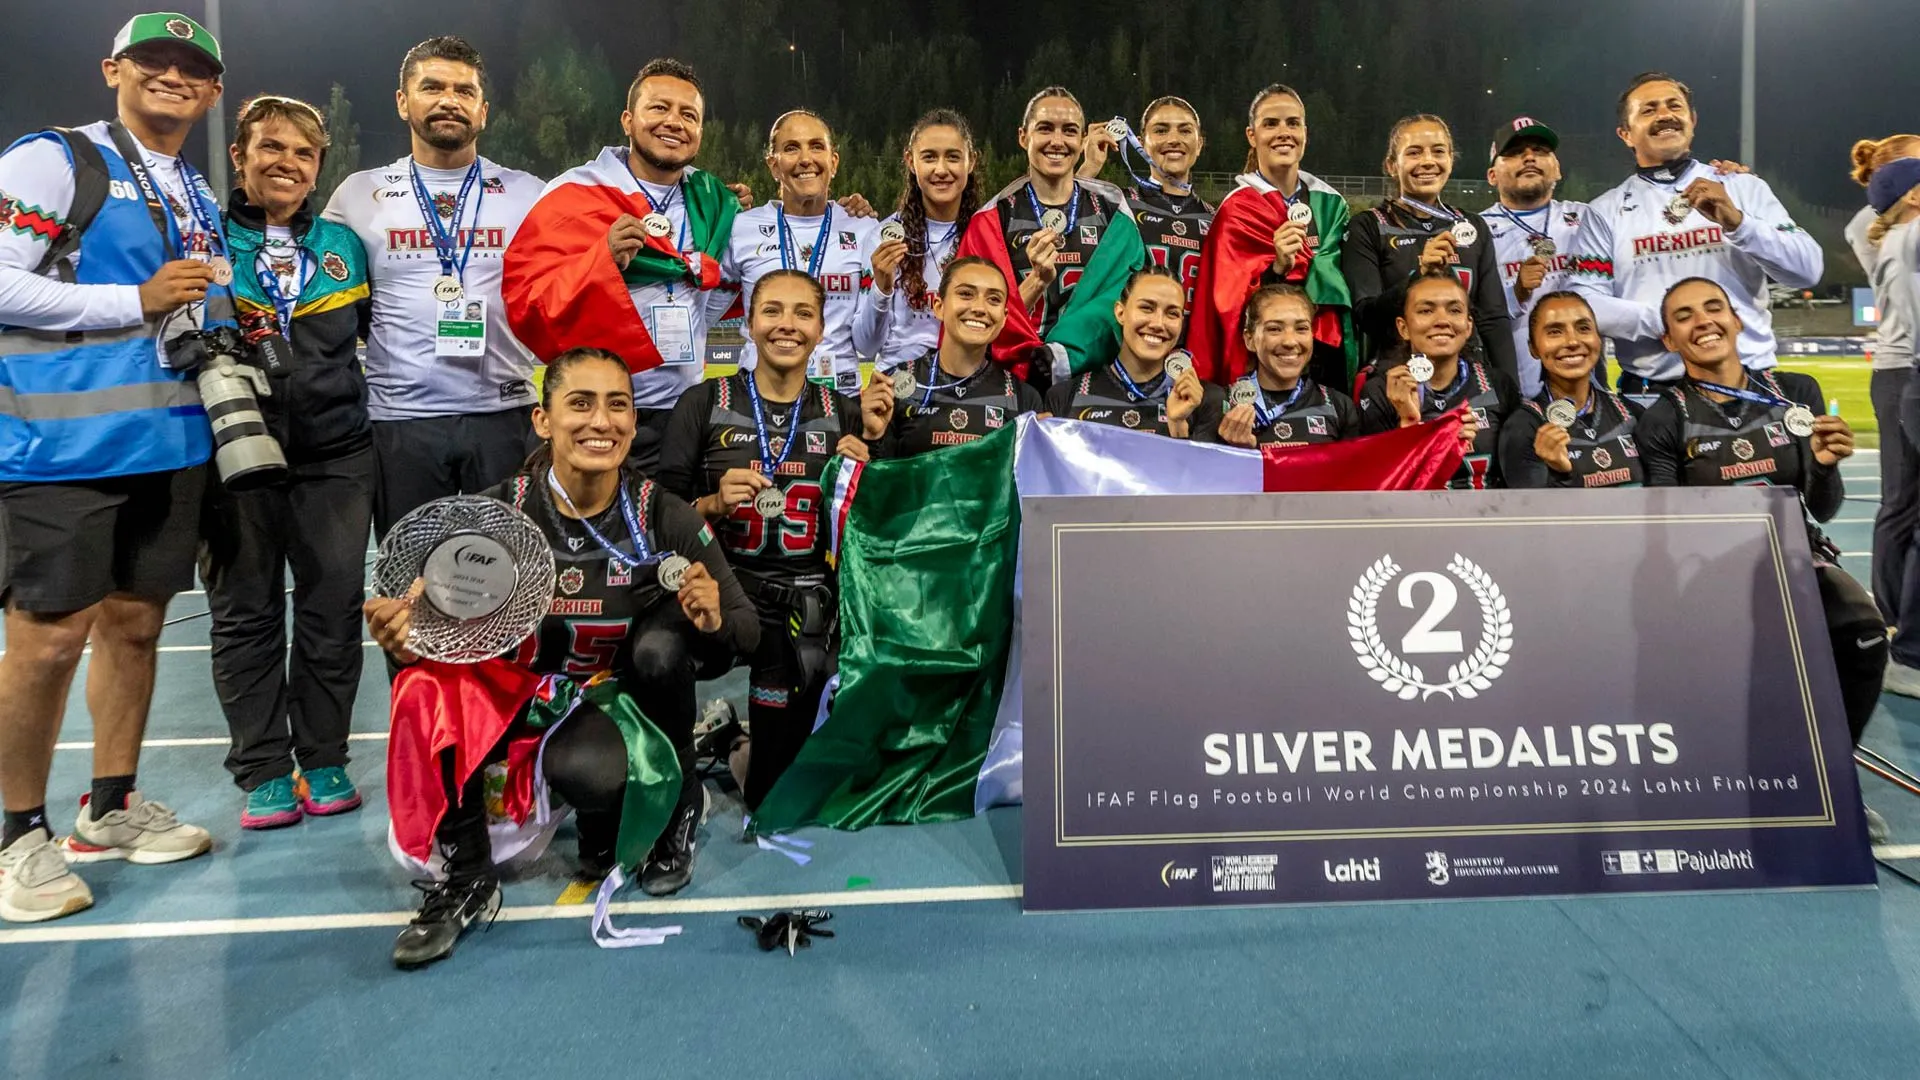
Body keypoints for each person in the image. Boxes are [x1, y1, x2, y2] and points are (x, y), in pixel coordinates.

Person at [364, 346, 758, 967]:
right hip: (515, 703)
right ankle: (467, 876)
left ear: (634, 422)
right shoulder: (495, 514)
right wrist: (407, 635)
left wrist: (709, 624)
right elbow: (428, 627)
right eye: (580, 403)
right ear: (542, 420)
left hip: (604, 704)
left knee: (636, 694)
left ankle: (673, 803)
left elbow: (745, 630)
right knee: (420, 675)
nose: (601, 421)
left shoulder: (663, 514)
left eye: (618, 405)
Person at [0, 12, 226, 923]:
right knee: (47, 642)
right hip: (61, 449)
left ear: (211, 91)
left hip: (169, 445)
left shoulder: (192, 184)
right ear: (113, 70)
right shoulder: (55, 160)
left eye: (192, 68)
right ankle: (18, 838)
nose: (174, 76)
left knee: (135, 629)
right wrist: (130, 297)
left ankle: (112, 807)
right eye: (155, 61)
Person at [658, 271, 889, 811]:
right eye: (773, 311)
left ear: (820, 326)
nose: (787, 325)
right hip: (722, 595)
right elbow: (655, 521)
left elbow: (873, 528)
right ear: (749, 322)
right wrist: (711, 505)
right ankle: (671, 768)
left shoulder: (842, 413)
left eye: (803, 313)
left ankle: (733, 740)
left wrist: (873, 458)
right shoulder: (702, 403)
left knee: (773, 798)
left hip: (798, 608)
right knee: (655, 654)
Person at [1637, 278, 1887, 773]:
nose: (1703, 321)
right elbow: (1667, 519)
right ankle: (1752, 772)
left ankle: (1832, 770)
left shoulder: (1795, 393)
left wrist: (1823, 465)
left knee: (1865, 633)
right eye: (1684, 316)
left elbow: (1825, 507)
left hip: (1798, 559)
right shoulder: (1663, 418)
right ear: (1669, 340)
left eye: (1714, 308)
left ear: (1737, 320)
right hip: (1713, 569)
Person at [205, 94, 374, 829]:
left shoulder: (343, 244)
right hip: (236, 459)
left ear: (318, 169)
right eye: (270, 147)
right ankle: (265, 767)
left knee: (333, 608)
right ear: (239, 156)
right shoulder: (201, 239)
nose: (287, 163)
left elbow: (363, 337)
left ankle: (325, 754)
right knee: (246, 612)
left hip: (336, 454)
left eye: (304, 153)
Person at [322, 36, 545, 539]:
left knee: (511, 571)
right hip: (401, 419)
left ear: (483, 111)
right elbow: (330, 298)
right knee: (410, 577)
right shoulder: (358, 195)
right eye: (432, 87)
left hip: (503, 413)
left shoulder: (528, 193)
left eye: (464, 92)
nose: (449, 100)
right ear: (403, 101)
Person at [503, 58, 742, 476]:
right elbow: (527, 299)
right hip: (595, 413)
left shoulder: (714, 200)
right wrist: (601, 260)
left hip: (684, 413)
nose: (674, 122)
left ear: (701, 133)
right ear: (628, 120)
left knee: (674, 536)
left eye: (689, 115)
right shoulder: (574, 192)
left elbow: (713, 288)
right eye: (659, 108)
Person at [1568, 72, 1822, 393]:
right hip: (1654, 391)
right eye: (1648, 110)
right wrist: (1676, 321)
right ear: (1626, 134)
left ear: (1692, 120)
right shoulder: (1603, 212)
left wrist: (1739, 224)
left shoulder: (1743, 187)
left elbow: (1807, 271)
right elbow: (1585, 303)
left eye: (1674, 106)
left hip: (1750, 379)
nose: (1665, 115)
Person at [954, 86, 1145, 384]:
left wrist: (1067, 354)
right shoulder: (993, 220)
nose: (1057, 141)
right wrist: (1035, 283)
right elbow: (970, 313)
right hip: (1009, 382)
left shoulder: (1113, 216)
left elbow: (1126, 301)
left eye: (1069, 131)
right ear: (1023, 137)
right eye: (1045, 129)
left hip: (1093, 385)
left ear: (1082, 141)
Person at [1190, 84, 1355, 391]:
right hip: (1260, 364)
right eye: (1271, 123)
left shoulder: (1332, 205)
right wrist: (1276, 269)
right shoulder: (1237, 210)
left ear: (1305, 132)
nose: (1283, 132)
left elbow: (1345, 291)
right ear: (1252, 136)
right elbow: (1225, 305)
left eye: (1292, 123)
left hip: (1322, 359)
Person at [1344, 114, 1516, 383]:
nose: (1427, 161)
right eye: (1414, 152)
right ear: (1392, 165)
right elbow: (1367, 318)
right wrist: (1418, 275)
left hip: (1468, 383)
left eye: (1438, 151)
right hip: (1398, 381)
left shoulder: (1472, 226)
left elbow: (1493, 319)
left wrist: (1510, 393)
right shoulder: (1369, 227)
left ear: (1450, 160)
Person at [721, 110, 880, 392]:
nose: (806, 159)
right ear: (773, 165)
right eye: (791, 148)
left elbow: (869, 342)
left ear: (834, 162)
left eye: (817, 146)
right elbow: (704, 307)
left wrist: (885, 287)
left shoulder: (863, 227)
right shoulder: (741, 227)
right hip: (756, 397)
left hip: (839, 395)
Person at [1844, 136, 1920, 693]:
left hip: (1904, 371)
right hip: (1902, 370)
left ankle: (1904, 629)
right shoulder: (1900, 232)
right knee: (1901, 503)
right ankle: (1904, 631)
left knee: (1903, 505)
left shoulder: (1887, 229)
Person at [871, 256, 1043, 456]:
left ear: (1004, 318)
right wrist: (871, 437)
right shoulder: (893, 383)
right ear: (939, 307)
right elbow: (875, 478)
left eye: (994, 299)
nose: (979, 308)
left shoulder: (1024, 399)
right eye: (966, 294)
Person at [1358, 274, 1518, 489]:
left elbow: (1517, 477)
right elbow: (1376, 486)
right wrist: (1409, 426)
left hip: (1486, 517)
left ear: (1469, 326)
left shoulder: (1498, 385)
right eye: (1426, 310)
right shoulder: (1380, 391)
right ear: (1403, 327)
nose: (1442, 320)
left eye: (1454, 310)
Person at [857, 109, 981, 370]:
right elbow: (865, 346)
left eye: (953, 157)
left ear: (971, 162)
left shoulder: (987, 233)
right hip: (901, 382)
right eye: (929, 157)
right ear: (910, 162)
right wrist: (881, 288)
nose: (941, 169)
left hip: (968, 381)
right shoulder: (883, 236)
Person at [1043, 266, 1222, 439]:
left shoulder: (1205, 401)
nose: (1158, 324)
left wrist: (1178, 426)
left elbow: (1200, 470)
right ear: (1120, 312)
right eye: (1147, 308)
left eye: (1172, 313)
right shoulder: (1065, 397)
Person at [1481, 117, 1588, 398]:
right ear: (1492, 175)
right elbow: (1465, 313)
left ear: (1558, 170)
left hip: (1585, 387)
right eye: (1515, 152)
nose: (1529, 157)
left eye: (1540, 151)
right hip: (1509, 392)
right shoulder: (1473, 233)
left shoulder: (1590, 219)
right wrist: (1515, 292)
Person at [1496, 291, 1643, 489]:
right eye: (1555, 332)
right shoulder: (1522, 427)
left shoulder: (1634, 415)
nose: (1572, 342)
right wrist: (1561, 473)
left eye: (1583, 328)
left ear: (1598, 340)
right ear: (1534, 348)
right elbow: (1530, 513)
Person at [1078, 96, 1214, 311]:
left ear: (1199, 144)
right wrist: (1089, 167)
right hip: (1132, 341)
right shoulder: (1120, 207)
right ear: (1140, 143)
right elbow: (1067, 234)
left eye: (1185, 130)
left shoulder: (1215, 219)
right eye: (1161, 130)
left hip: (1193, 343)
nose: (1173, 139)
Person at [1206, 284, 1358, 449]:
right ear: (1249, 340)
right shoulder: (1221, 404)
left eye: (1301, 328)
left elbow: (1354, 474)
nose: (1290, 341)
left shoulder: (1338, 406)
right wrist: (1237, 454)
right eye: (1274, 329)